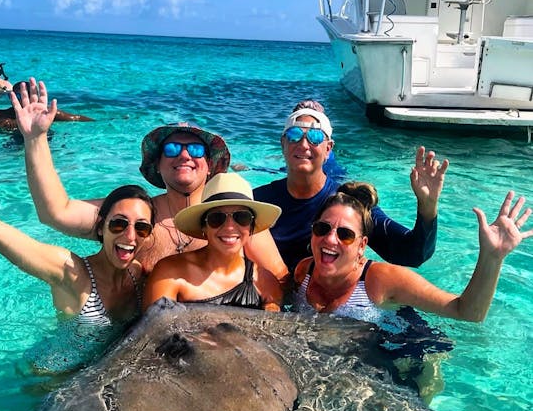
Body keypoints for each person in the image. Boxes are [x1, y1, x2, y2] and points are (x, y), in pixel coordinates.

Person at [12, 78, 289, 281]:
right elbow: (55, 213)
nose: (183, 155)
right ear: (157, 164)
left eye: (195, 149)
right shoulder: (134, 220)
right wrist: (35, 139)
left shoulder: (237, 218)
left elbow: (279, 279)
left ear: (209, 166)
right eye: (171, 149)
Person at [253, 102, 449, 273]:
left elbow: (412, 254)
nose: (304, 144)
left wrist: (427, 206)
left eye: (315, 138)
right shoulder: (257, 201)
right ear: (283, 144)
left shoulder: (349, 204)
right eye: (294, 135)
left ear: (328, 149)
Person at [294, 182, 531, 321]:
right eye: (322, 228)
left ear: (362, 245)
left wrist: (492, 257)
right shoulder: (303, 272)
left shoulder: (381, 280)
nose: (330, 239)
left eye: (345, 235)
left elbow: (466, 311)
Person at [0, 184, 154, 331]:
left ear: (148, 236)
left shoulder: (137, 273)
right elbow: (9, 240)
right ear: (100, 227)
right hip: (53, 363)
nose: (130, 236)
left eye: (142, 227)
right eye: (119, 223)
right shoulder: (72, 273)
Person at [143, 173, 283, 312]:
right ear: (203, 226)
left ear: (251, 226)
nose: (229, 227)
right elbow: (151, 331)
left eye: (241, 217)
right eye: (217, 218)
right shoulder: (170, 273)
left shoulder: (266, 283)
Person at [0, 81, 94, 131]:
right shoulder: (0, 116)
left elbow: (76, 118)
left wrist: (102, 122)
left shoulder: (45, 113)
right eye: (11, 96)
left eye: (18, 96)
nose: (14, 99)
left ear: (31, 96)